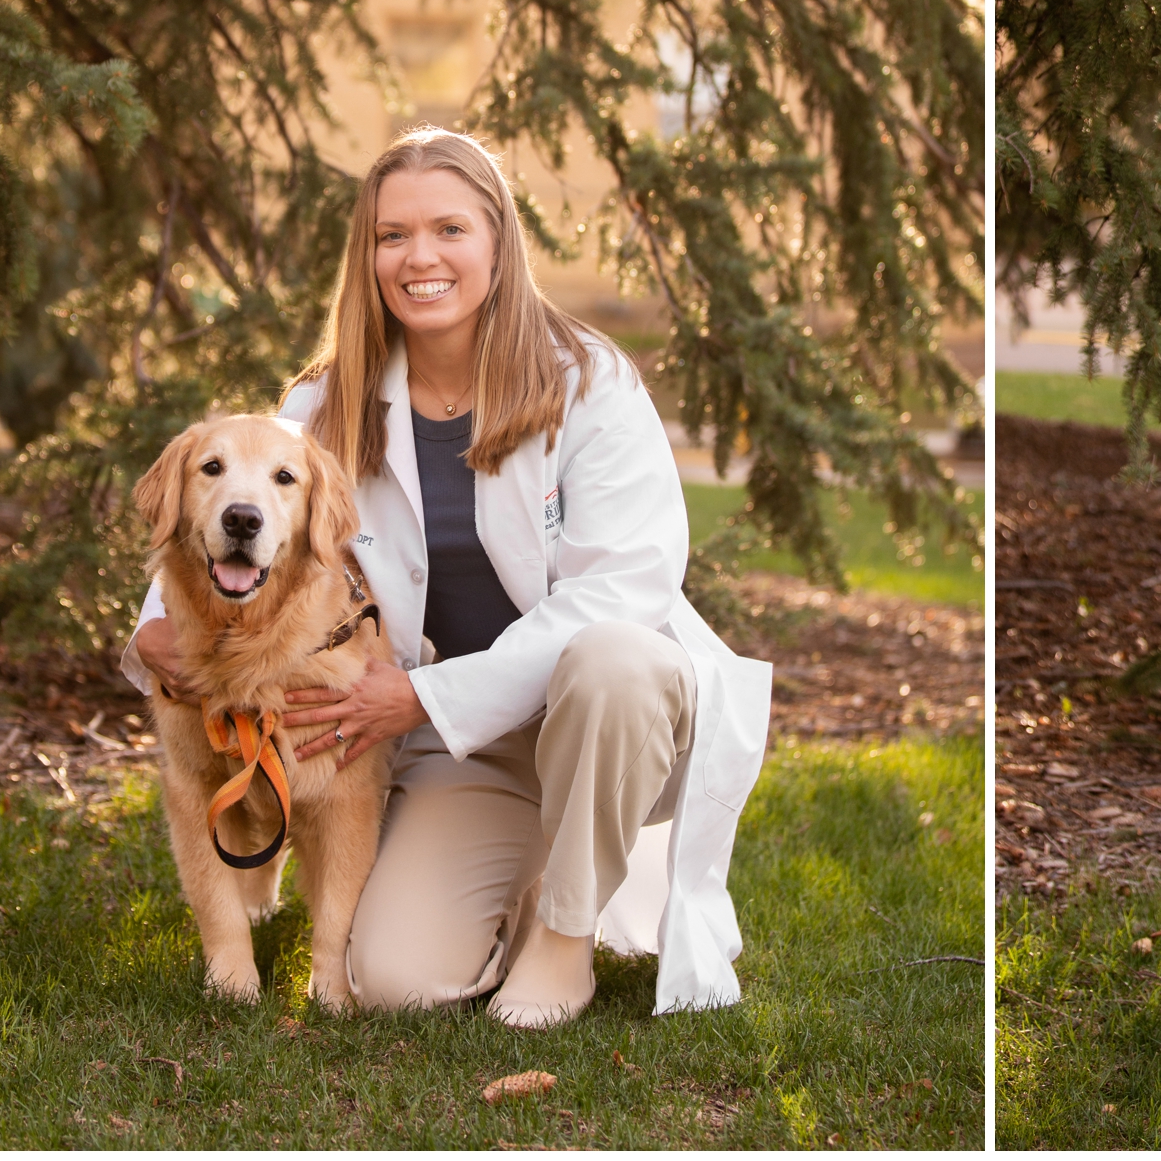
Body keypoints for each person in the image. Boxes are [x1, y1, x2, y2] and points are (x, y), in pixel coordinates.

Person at [122, 127, 772, 1026]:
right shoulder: (326, 402)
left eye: (450, 230)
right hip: (468, 747)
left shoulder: (591, 385)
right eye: (393, 236)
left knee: (611, 658)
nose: (419, 256)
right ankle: (528, 863)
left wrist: (425, 697)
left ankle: (563, 935)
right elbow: (237, 513)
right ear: (370, 255)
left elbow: (625, 588)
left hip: (610, 722)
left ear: (499, 244)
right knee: (397, 982)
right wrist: (155, 625)